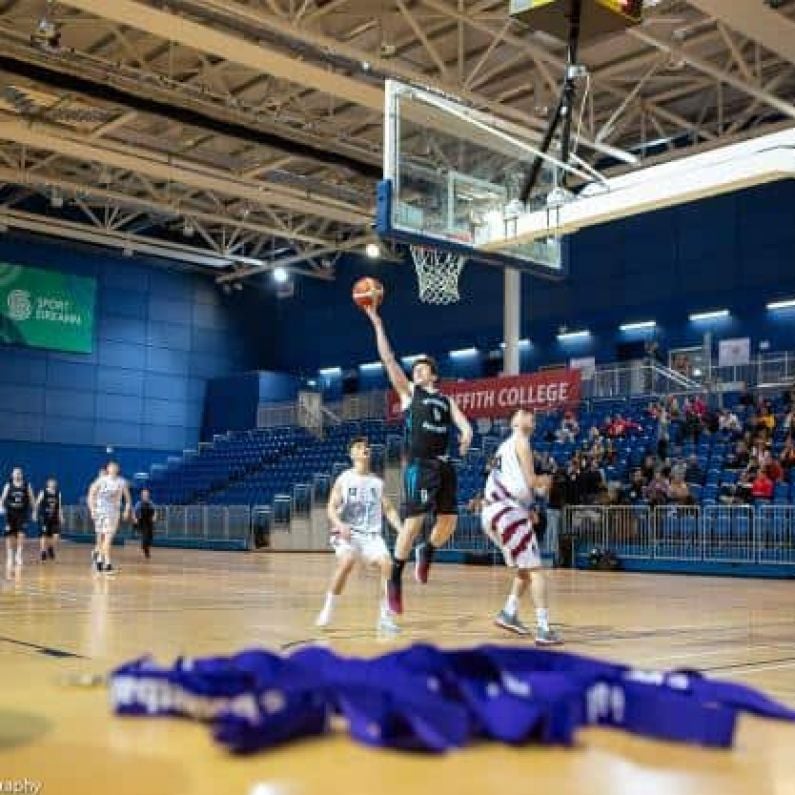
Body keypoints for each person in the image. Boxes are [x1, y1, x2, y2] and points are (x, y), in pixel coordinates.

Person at [364, 306, 472, 616]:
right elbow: (388, 360)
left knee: (449, 521)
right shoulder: (410, 394)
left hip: (445, 464)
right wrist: (378, 322)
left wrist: (466, 435)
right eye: (416, 368)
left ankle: (429, 550)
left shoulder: (445, 399)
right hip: (420, 465)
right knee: (413, 523)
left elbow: (463, 422)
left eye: (423, 368)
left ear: (434, 375)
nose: (417, 371)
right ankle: (395, 579)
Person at [481, 409, 562, 645]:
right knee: (536, 569)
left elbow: (513, 483)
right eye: (524, 414)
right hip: (507, 512)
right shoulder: (521, 441)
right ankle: (544, 629)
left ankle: (509, 612)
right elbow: (532, 483)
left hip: (493, 512)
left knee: (524, 569)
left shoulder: (504, 447)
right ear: (514, 422)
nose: (530, 417)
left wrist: (528, 507)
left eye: (532, 415)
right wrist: (546, 481)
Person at [315, 437, 403, 633]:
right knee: (347, 562)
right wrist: (339, 524)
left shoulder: (377, 482)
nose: (365, 449)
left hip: (371, 535)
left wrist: (402, 529)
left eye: (367, 447)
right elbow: (330, 507)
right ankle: (328, 609)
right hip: (348, 532)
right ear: (352, 454)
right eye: (359, 447)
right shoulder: (344, 478)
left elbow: (388, 509)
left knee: (387, 564)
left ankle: (385, 618)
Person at [87, 461, 132, 575]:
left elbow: (128, 499)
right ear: (107, 469)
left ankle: (100, 560)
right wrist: (92, 509)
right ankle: (106, 563)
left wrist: (126, 510)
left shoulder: (122, 482)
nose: (113, 469)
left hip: (114, 513)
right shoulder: (101, 480)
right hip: (101, 512)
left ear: (118, 469)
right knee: (104, 538)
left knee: (107, 538)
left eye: (115, 467)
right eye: (111, 467)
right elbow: (91, 495)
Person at [1, 468, 36, 576]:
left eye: (19, 473)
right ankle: (10, 555)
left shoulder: (26, 485)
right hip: (10, 514)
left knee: (21, 534)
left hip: (22, 514)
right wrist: (1, 506)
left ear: (21, 474)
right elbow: (2, 498)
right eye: (15, 473)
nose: (17, 475)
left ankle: (18, 555)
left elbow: (32, 499)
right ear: (12, 475)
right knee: (10, 535)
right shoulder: (8, 485)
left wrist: (34, 511)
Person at [35, 477, 63, 562]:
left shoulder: (58, 493)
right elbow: (37, 503)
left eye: (54, 483)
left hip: (54, 517)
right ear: (48, 484)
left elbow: (59, 506)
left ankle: (50, 548)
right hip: (44, 517)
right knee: (44, 535)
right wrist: (35, 513)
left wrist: (61, 516)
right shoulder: (43, 492)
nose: (53, 484)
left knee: (55, 535)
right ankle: (43, 552)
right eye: (51, 483)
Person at [133, 488, 157, 559]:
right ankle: (144, 547)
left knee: (150, 537)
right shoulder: (138, 503)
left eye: (146, 494)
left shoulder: (151, 503)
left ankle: (146, 547)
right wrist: (135, 519)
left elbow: (155, 511)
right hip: (142, 522)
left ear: (148, 495)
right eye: (144, 494)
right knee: (145, 536)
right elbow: (134, 512)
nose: (145, 496)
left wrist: (154, 517)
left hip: (149, 522)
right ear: (141, 495)